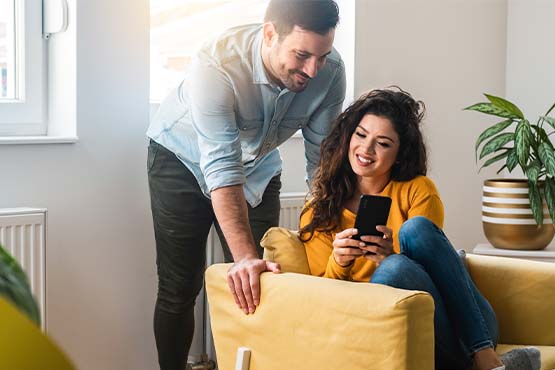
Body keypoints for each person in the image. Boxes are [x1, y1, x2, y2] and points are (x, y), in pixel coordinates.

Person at [146, 0, 346, 368]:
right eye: (302, 55)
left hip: (257, 166)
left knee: (259, 287)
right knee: (180, 287)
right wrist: (244, 259)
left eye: (323, 55)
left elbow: (323, 167)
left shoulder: (330, 73)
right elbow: (221, 168)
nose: (313, 69)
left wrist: (331, 244)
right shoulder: (217, 64)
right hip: (181, 159)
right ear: (270, 33)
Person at [299, 88, 541, 370]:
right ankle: (501, 366)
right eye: (361, 135)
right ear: (347, 137)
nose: (366, 149)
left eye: (383, 143)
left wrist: (389, 256)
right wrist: (339, 262)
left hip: (464, 324)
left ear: (399, 154)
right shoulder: (319, 210)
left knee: (410, 241)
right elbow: (323, 301)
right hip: (390, 327)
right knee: (393, 271)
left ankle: (484, 355)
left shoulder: (418, 191)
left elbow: (431, 271)